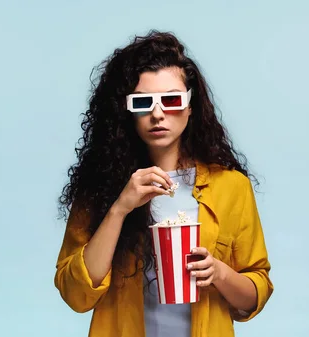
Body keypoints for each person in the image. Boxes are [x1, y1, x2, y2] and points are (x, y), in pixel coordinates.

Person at [54, 30, 273, 337]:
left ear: (190, 105)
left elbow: (254, 296)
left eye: (171, 99)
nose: (158, 114)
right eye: (143, 102)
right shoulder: (102, 187)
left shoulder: (231, 187)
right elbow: (75, 294)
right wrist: (120, 208)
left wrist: (219, 274)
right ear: (126, 111)